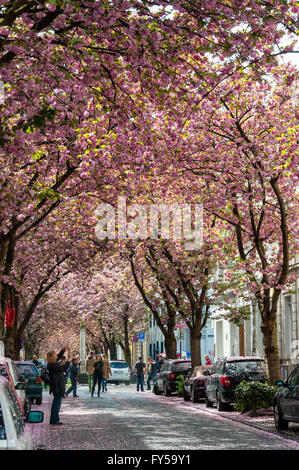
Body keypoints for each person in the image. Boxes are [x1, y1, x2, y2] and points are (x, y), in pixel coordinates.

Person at [47, 347, 70, 425]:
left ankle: (55, 419)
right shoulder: (52, 365)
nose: (56, 356)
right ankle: (54, 420)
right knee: (57, 403)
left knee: (57, 402)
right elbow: (63, 368)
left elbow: (59, 356)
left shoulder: (53, 364)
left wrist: (63, 350)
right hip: (57, 386)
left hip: (58, 385)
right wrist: (68, 361)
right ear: (52, 357)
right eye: (54, 355)